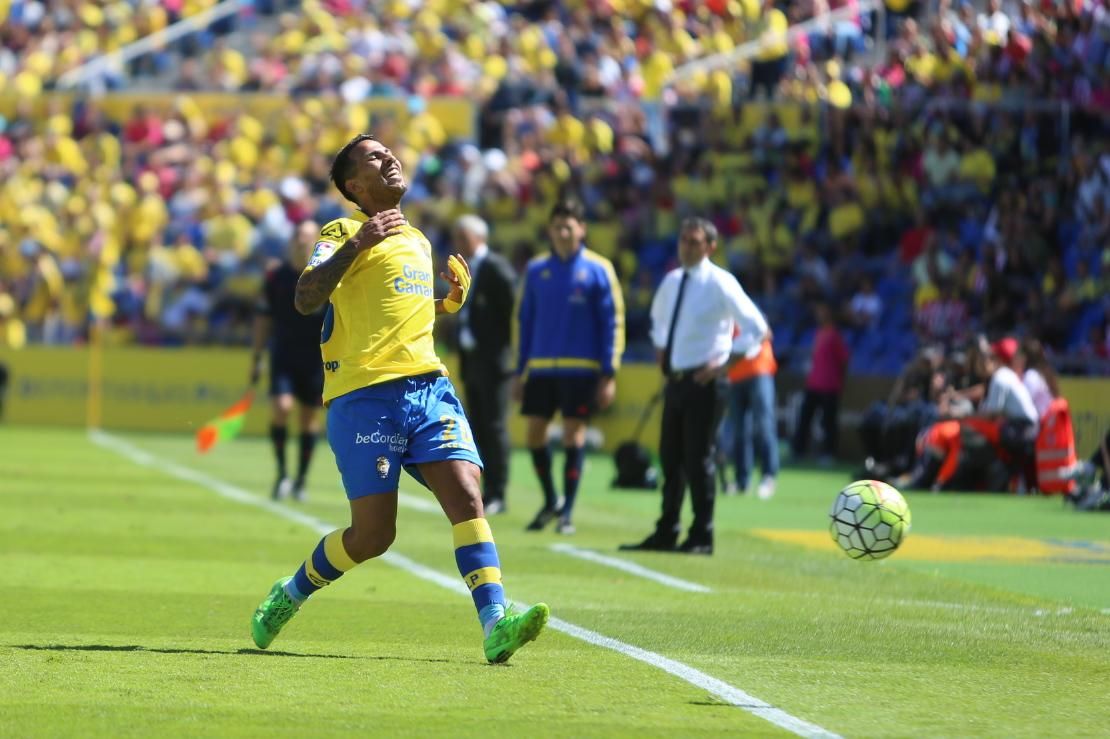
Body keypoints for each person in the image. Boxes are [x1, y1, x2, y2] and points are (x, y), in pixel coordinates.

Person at [249, 134, 548, 664]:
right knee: (372, 536)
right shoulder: (341, 231)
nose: (389, 157)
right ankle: (291, 593)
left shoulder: (418, 240)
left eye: (389, 151)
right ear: (355, 185)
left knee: (468, 495)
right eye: (374, 156)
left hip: (428, 387)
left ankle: (495, 622)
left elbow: (396, 307)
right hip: (365, 397)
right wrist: (358, 244)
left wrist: (446, 303)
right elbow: (305, 297)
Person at [621, 218, 769, 555]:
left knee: (698, 458)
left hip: (706, 383)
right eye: (683, 240)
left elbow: (757, 328)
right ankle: (667, 529)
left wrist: (724, 365)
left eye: (694, 241)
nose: (686, 247)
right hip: (676, 380)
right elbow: (660, 321)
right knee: (670, 458)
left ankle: (702, 534)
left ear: (710, 247)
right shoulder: (673, 280)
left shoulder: (720, 282)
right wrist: (662, 350)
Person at [513, 197, 625, 535]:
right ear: (549, 230)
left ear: (582, 229)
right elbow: (524, 322)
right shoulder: (536, 270)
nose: (563, 232)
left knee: (574, 436)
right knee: (534, 435)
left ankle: (568, 513)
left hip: (581, 369)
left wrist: (608, 373)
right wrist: (520, 371)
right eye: (557, 227)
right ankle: (551, 499)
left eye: (568, 226)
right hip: (541, 368)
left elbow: (612, 322)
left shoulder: (599, 269)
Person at [249, 220, 326, 502]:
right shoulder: (277, 276)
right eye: (299, 236)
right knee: (282, 407)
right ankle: (282, 473)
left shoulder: (325, 276)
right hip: (283, 353)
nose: (303, 241)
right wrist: (257, 356)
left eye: (308, 237)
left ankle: (300, 480)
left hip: (316, 358)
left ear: (317, 242)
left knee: (308, 420)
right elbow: (263, 318)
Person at [452, 215, 517, 515]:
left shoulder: (495, 267)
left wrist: (506, 351)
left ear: (479, 237)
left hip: (494, 362)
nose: (458, 243)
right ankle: (482, 490)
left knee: (494, 426)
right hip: (472, 360)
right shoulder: (466, 267)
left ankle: (498, 492)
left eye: (463, 237)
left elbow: (512, 313)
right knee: (476, 427)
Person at [791, 301, 850, 464]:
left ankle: (828, 453)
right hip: (813, 384)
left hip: (830, 386)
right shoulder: (818, 333)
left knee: (828, 421)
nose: (819, 315)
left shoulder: (834, 335)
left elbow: (844, 360)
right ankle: (798, 451)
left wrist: (839, 381)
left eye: (822, 311)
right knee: (805, 418)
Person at [726, 336, 780, 499]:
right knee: (739, 431)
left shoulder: (751, 318)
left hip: (759, 370)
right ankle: (742, 481)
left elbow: (765, 332)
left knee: (764, 426)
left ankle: (768, 477)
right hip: (734, 375)